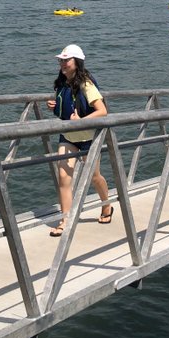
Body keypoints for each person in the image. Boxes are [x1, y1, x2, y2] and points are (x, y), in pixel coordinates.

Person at [45, 44, 112, 237]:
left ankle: (106, 206)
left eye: (66, 60)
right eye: (61, 60)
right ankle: (65, 220)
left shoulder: (86, 84)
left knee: (94, 177)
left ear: (77, 62)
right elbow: (68, 104)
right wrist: (56, 105)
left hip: (88, 137)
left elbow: (102, 111)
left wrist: (81, 121)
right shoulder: (62, 83)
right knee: (64, 178)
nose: (62, 63)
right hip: (68, 137)